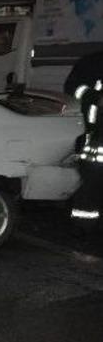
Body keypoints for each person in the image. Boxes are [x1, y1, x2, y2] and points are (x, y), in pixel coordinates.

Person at [64, 53, 103, 232]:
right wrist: (93, 96)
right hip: (95, 136)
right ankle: (83, 227)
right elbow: (72, 88)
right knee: (91, 183)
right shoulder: (92, 62)